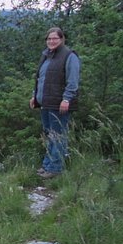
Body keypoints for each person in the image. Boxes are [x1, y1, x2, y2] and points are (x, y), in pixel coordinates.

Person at [30, 27, 80, 178]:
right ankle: (47, 165)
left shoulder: (69, 56)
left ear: (62, 39)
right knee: (49, 134)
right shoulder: (46, 56)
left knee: (58, 135)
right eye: (49, 39)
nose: (51, 41)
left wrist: (66, 99)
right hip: (45, 102)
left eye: (55, 39)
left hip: (59, 103)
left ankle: (55, 168)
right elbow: (41, 78)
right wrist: (34, 96)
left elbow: (73, 81)